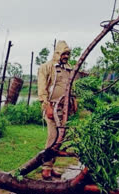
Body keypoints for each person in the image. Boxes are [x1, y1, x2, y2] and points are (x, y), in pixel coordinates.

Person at [38, 40, 75, 180]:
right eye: (64, 53)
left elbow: (71, 86)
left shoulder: (68, 68)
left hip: (64, 108)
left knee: (61, 138)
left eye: (68, 54)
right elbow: (42, 89)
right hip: (51, 107)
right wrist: (47, 106)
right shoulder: (47, 67)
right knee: (53, 136)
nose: (66, 56)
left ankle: (52, 166)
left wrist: (74, 100)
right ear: (58, 53)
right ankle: (46, 168)